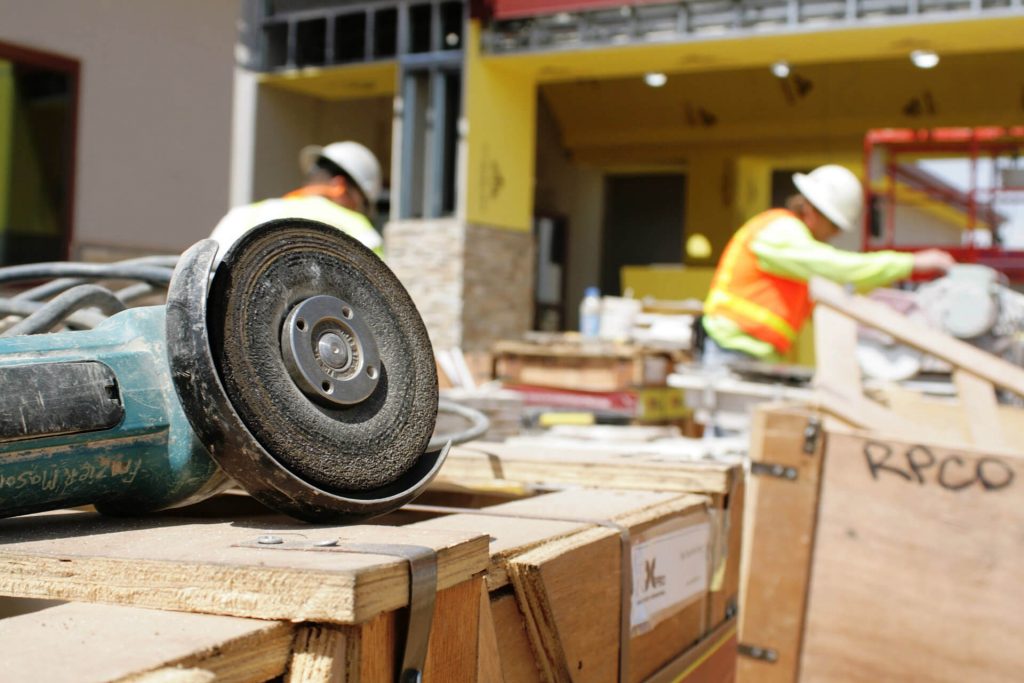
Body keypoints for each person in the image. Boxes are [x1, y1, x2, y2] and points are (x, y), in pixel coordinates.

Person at [701, 164, 955, 367]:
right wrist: (912, 263)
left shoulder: (796, 247)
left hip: (754, 352)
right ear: (811, 210)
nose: (834, 234)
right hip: (733, 348)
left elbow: (826, 301)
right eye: (834, 225)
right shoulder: (779, 232)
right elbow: (837, 267)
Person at [211, 141, 384, 258]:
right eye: (361, 204)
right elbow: (381, 301)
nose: (357, 210)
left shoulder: (243, 214)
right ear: (340, 186)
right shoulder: (358, 228)